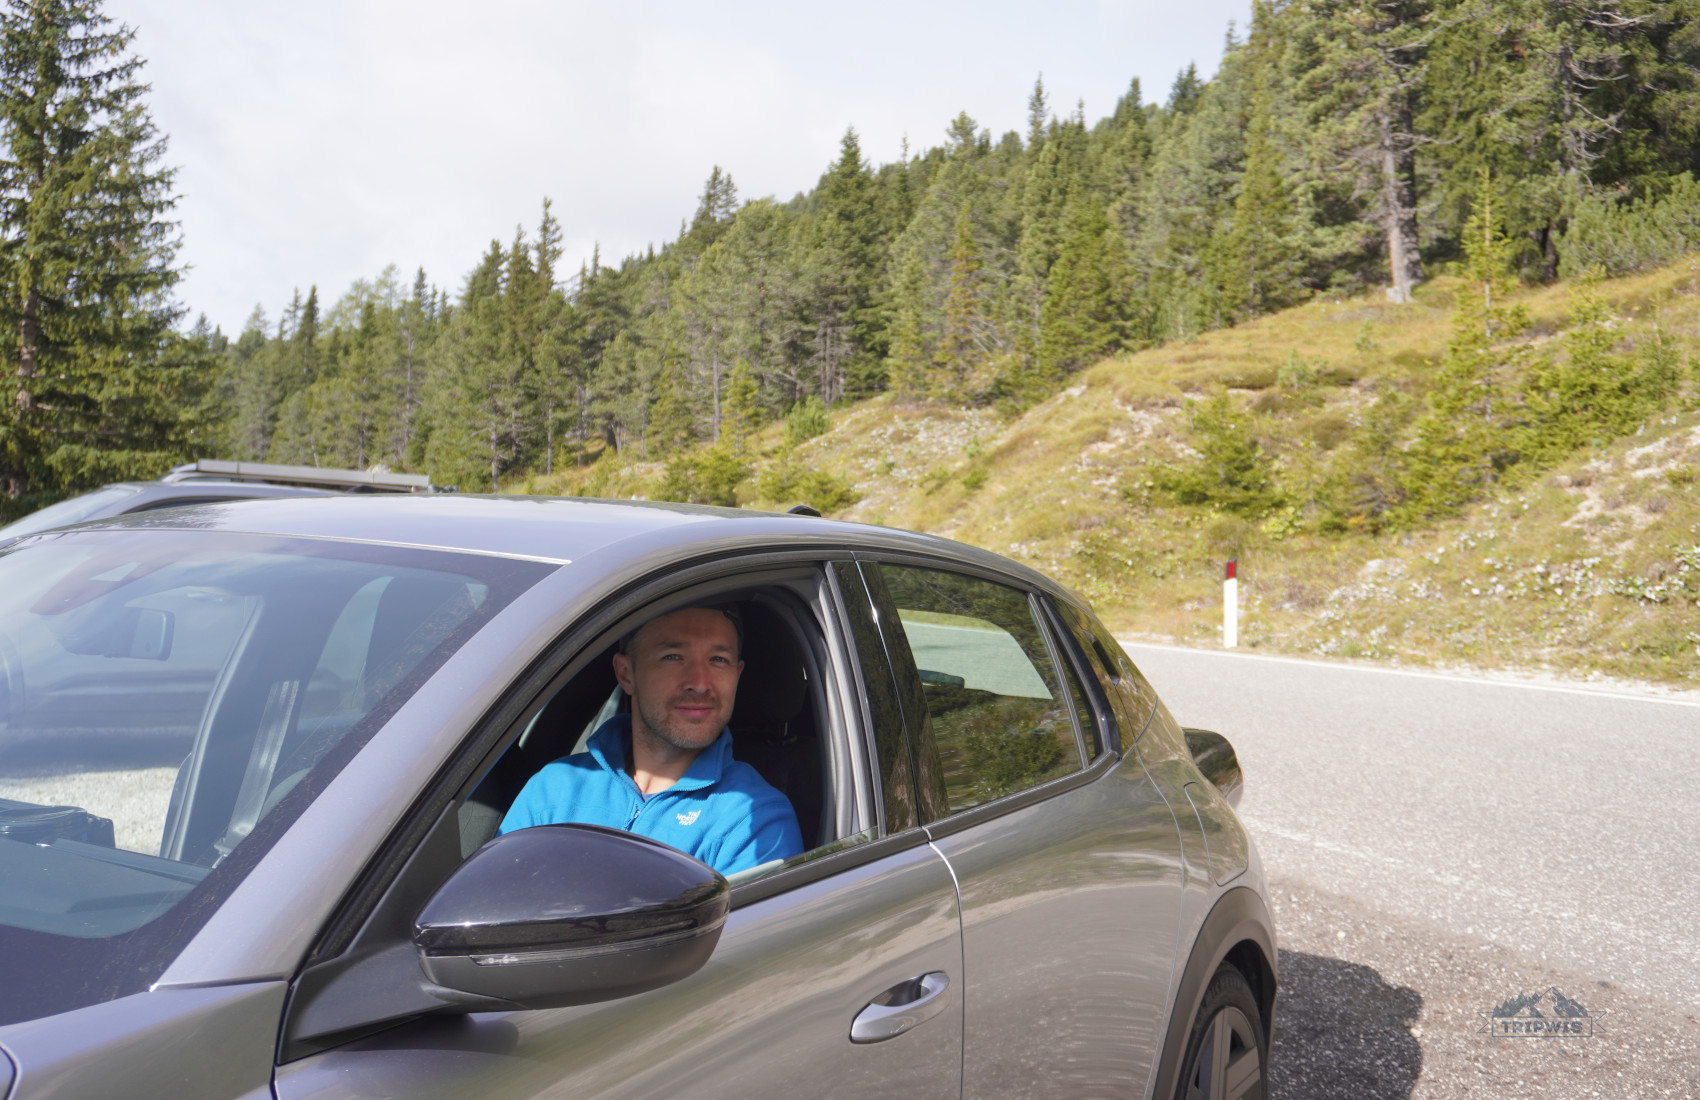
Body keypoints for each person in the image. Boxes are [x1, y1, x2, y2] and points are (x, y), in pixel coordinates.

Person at [498, 605, 803, 876]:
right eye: (673, 656)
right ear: (626, 673)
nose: (699, 682)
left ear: (737, 675)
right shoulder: (554, 788)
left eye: (718, 659)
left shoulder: (752, 819)